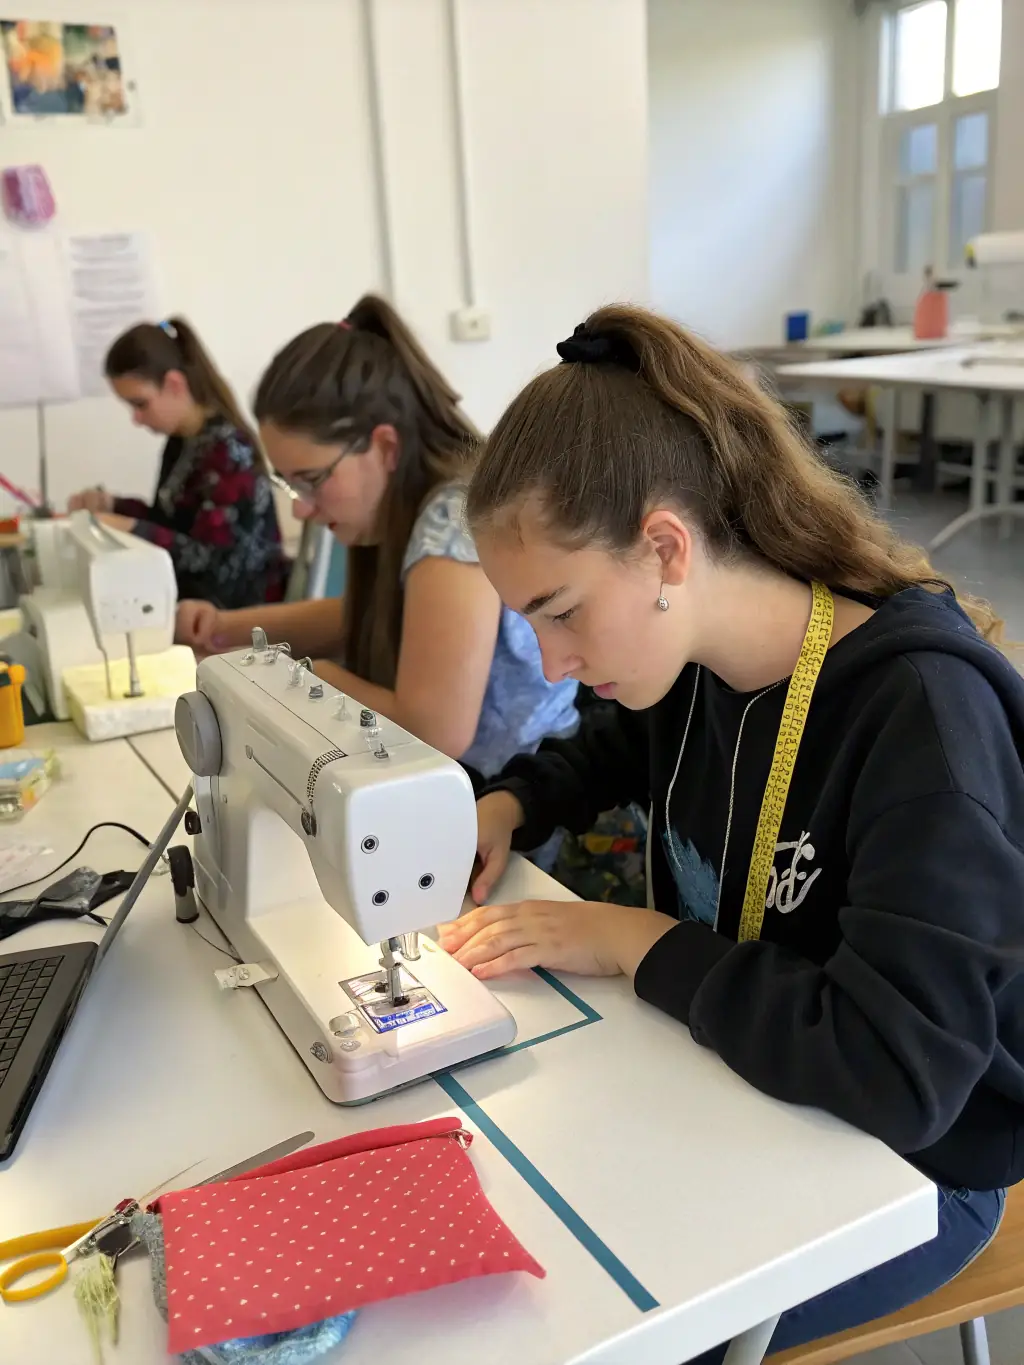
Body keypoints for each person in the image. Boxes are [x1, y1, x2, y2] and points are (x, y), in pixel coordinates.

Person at [439, 304, 1024, 1362]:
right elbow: (612, 747)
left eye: (561, 609)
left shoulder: (921, 722)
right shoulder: (695, 660)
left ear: (665, 548)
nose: (551, 659)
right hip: (752, 1092)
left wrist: (635, 943)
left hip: (912, 1166)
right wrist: (512, 802)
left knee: (632, 1335)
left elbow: (897, 1073)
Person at [175, 295, 579, 784]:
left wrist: (298, 676)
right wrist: (223, 629)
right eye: (289, 484)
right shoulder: (408, 507)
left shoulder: (451, 526)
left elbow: (434, 731)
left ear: (385, 446)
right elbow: (371, 616)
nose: (302, 507)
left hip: (526, 801)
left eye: (311, 479)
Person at [68, 317, 285, 610]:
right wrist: (112, 505)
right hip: (194, 601)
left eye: (140, 404)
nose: (136, 419)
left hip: (237, 613)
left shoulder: (229, 451)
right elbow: (168, 523)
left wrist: (128, 528)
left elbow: (208, 559)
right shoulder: (181, 442)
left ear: (174, 384)